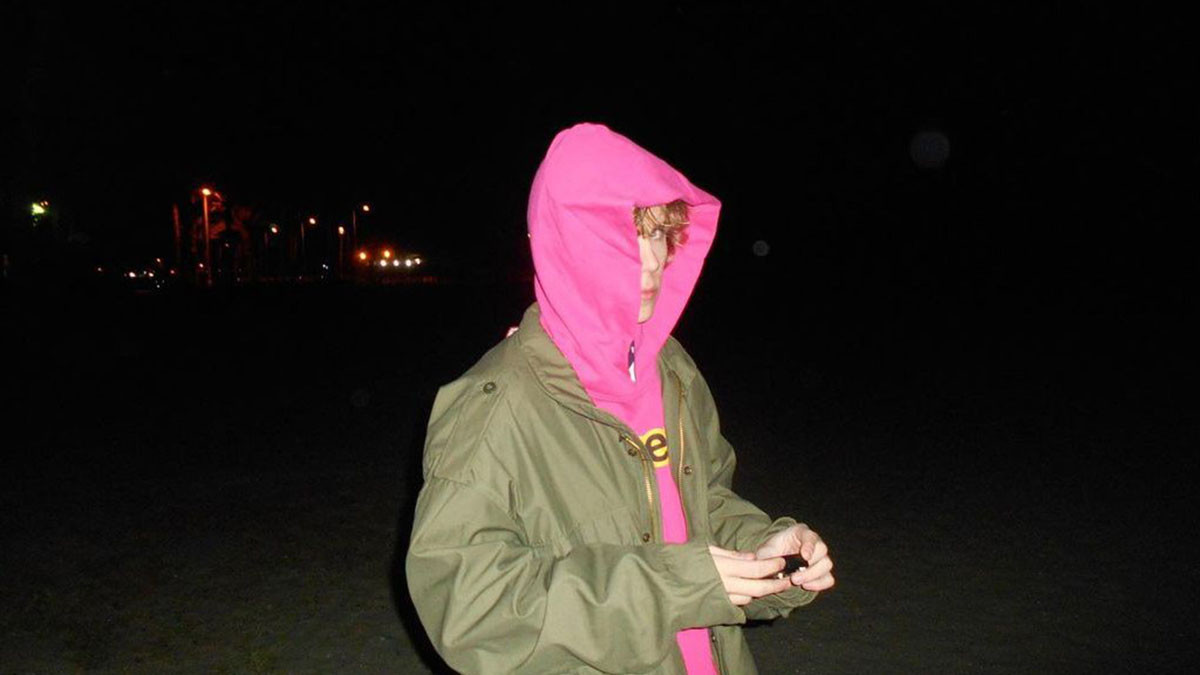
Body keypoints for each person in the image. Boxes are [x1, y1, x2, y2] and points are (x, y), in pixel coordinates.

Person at [406, 123, 834, 674]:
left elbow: (701, 504)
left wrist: (767, 552)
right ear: (570, 243)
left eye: (659, 234)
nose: (653, 260)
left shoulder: (671, 369)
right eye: (626, 236)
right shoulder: (494, 406)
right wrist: (673, 586)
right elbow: (469, 610)